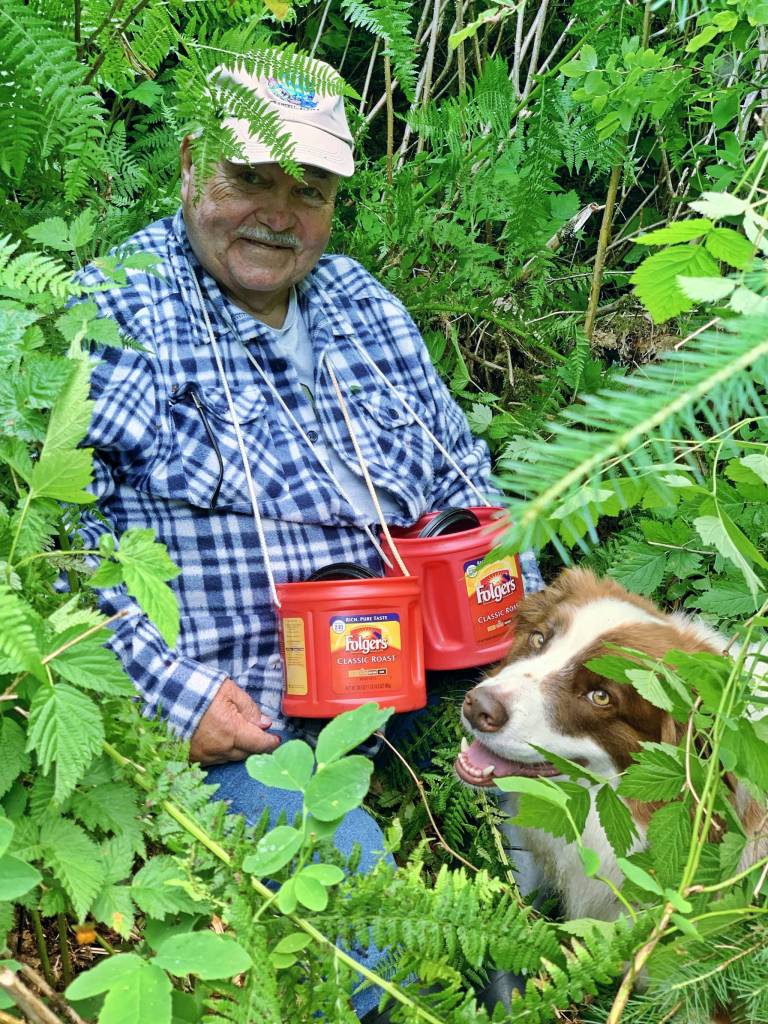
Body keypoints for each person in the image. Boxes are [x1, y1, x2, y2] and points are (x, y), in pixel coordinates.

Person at [76, 53, 542, 1019]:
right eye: (251, 177)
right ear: (192, 160)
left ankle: (533, 970)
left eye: (309, 188)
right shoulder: (116, 306)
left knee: (570, 757)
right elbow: (60, 543)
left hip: (404, 679)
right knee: (363, 901)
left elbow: (470, 483)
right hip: (238, 727)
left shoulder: (366, 306)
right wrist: (172, 697)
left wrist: (527, 635)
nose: (278, 213)